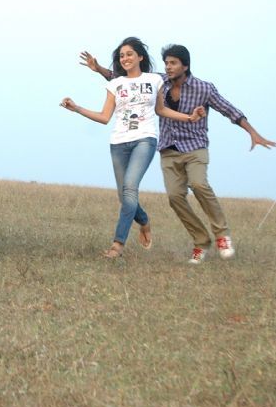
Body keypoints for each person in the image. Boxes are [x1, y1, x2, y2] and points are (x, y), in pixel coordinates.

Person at [79, 44, 276, 263]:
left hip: (195, 147)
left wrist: (253, 133)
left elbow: (229, 110)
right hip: (168, 149)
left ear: (185, 66)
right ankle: (201, 241)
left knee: (199, 184)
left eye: (173, 63)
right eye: (166, 63)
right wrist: (98, 69)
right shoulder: (159, 81)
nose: (168, 67)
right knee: (174, 198)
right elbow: (125, 80)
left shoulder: (204, 88)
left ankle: (222, 235)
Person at [62, 37, 206, 259]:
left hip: (144, 139)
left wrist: (189, 117)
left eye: (129, 54)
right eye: (121, 56)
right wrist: (77, 108)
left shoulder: (154, 80)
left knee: (130, 188)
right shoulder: (115, 84)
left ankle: (117, 245)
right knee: (124, 195)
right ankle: (144, 221)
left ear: (140, 56)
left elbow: (161, 110)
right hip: (118, 142)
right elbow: (104, 117)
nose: (125, 58)